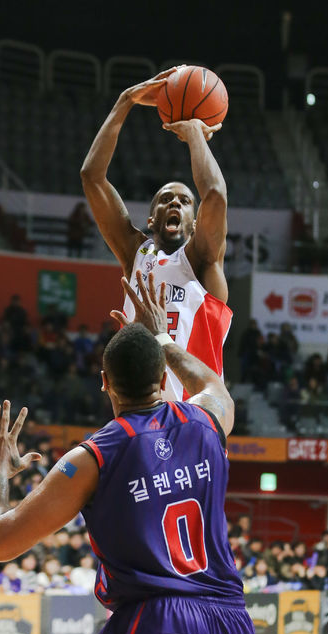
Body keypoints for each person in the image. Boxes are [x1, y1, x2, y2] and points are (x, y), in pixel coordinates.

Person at [0, 272, 255, 634]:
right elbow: (214, 384)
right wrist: (164, 338)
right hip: (229, 630)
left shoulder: (94, 456)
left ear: (104, 382)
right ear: (162, 376)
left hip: (157, 630)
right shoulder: (206, 420)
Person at [80, 67, 232, 400]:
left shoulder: (204, 262)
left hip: (193, 415)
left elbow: (215, 195)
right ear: (151, 219)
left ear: (196, 223)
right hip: (141, 412)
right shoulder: (136, 254)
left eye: (185, 201)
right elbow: (92, 177)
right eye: (165, 199)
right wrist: (125, 101)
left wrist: (194, 132)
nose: (174, 202)